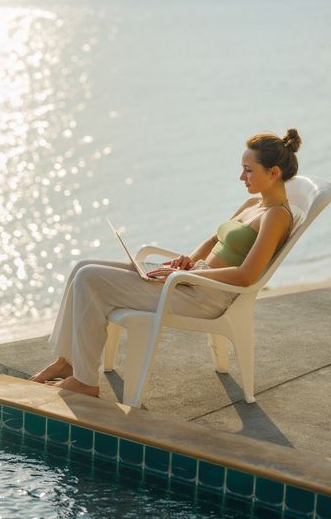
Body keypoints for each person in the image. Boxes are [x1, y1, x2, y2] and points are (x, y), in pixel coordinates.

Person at [31, 129, 302, 397]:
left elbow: (246, 276)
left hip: (206, 296)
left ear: (274, 172)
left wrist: (186, 277)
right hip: (193, 279)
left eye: (248, 170)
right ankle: (67, 362)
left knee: (90, 278)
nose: (241, 176)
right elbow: (211, 241)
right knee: (82, 267)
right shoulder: (253, 203)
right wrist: (186, 262)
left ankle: (85, 381)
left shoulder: (276, 216)